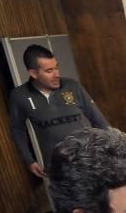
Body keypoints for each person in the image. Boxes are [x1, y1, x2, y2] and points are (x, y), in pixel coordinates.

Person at [8, 44, 109, 178]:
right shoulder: (19, 96)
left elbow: (98, 120)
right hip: (58, 168)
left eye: (57, 67)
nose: (57, 74)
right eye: (49, 71)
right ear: (33, 73)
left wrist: (112, 149)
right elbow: (17, 129)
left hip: (90, 160)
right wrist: (29, 160)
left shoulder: (73, 86)